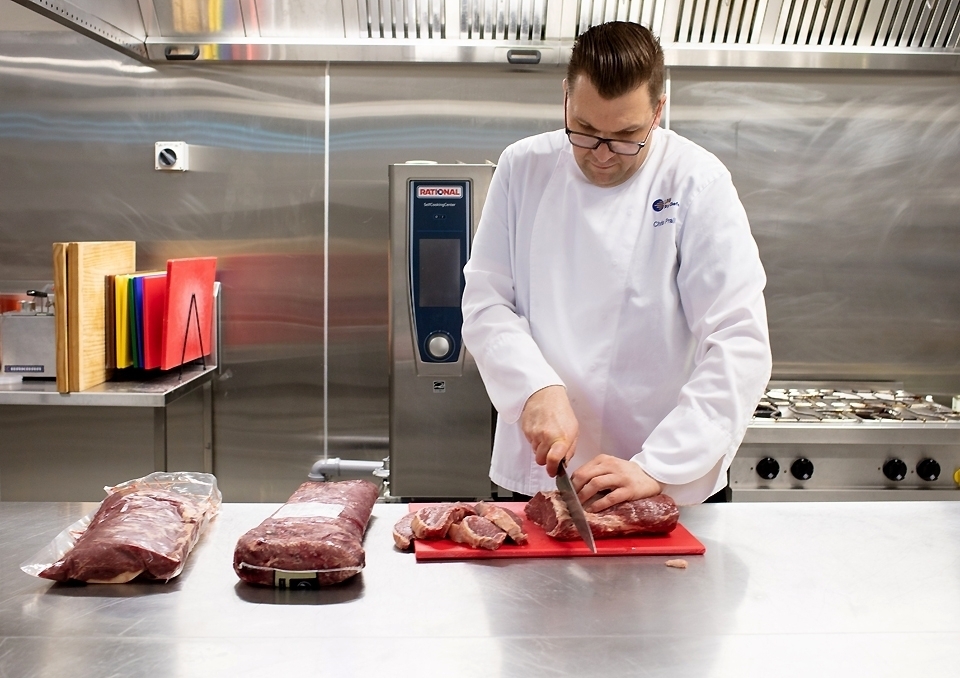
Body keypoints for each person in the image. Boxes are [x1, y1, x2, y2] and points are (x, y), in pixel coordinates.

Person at [460, 21, 772, 508]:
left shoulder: (697, 180)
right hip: (548, 468)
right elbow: (486, 302)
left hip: (665, 474)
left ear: (658, 111)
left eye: (627, 135)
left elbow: (738, 340)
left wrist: (659, 465)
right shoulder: (522, 166)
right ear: (566, 96)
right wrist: (534, 387)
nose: (602, 155)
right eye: (584, 131)